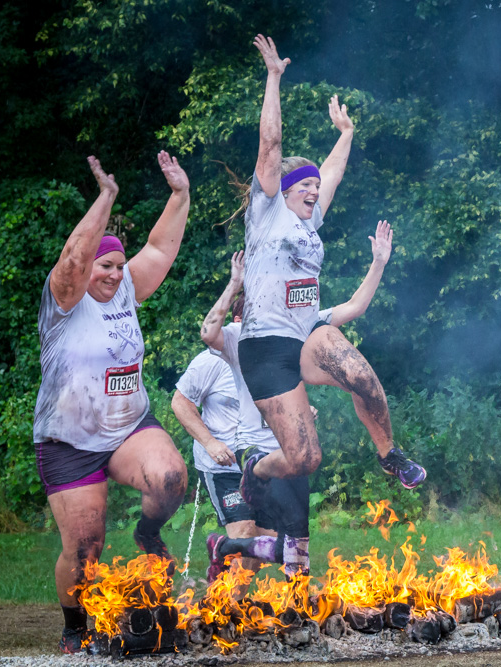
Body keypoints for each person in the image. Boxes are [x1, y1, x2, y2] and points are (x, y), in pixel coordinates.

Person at [235, 35, 424, 514]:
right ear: (283, 190)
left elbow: (333, 174)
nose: (315, 192)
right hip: (265, 346)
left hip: (307, 335)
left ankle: (390, 456)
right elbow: (270, 145)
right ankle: (257, 469)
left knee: (363, 377)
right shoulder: (267, 213)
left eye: (316, 188)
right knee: (305, 459)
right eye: (306, 186)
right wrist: (273, 77)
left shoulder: (308, 222)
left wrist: (347, 134)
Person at [33, 152, 190, 653]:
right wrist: (106, 197)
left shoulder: (126, 289)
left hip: (127, 428)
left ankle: (148, 532)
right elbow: (73, 259)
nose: (116, 275)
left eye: (121, 266)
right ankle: (74, 626)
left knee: (170, 477)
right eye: (106, 265)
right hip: (69, 442)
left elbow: (160, 249)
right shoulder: (64, 300)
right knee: (85, 550)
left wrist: (180, 195)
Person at [202, 221, 396, 580]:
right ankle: (238, 561)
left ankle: (230, 550)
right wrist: (234, 283)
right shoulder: (240, 336)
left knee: (295, 544)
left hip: (295, 449)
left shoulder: (300, 324)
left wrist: (379, 262)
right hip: (256, 451)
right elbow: (208, 332)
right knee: (288, 540)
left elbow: (354, 307)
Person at [171, 312, 265, 579]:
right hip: (223, 467)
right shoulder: (210, 361)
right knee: (246, 537)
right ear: (236, 320)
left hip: (261, 464)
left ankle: (221, 554)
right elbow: (180, 402)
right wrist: (210, 443)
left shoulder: (269, 358)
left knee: (267, 545)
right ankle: (227, 604)